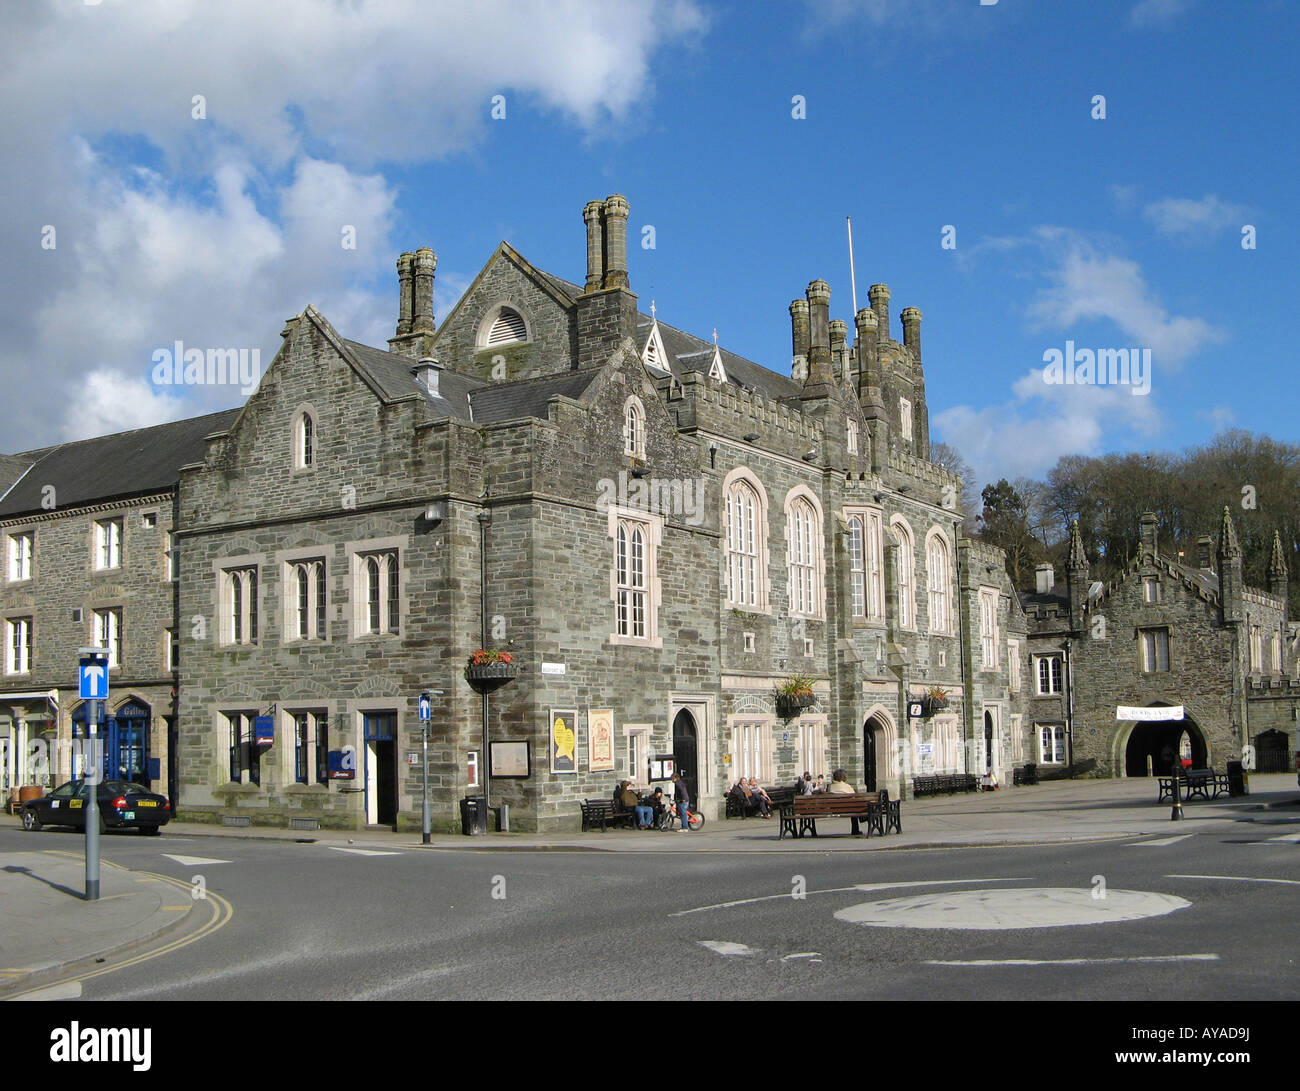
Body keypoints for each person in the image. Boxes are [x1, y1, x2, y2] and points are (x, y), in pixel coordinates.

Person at [826, 768, 862, 836]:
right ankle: (855, 830)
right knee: (855, 809)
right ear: (844, 777)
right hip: (848, 810)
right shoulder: (847, 786)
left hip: (834, 809)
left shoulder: (830, 787)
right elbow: (854, 797)